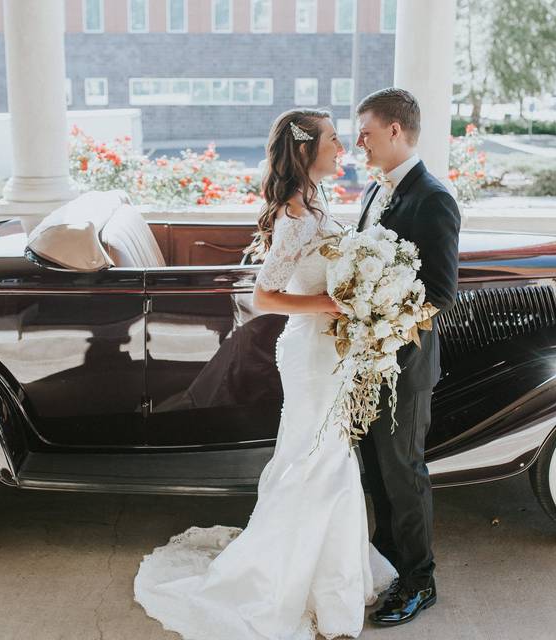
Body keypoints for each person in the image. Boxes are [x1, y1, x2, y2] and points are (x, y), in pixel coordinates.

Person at [133, 108, 398, 640]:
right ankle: (289, 589)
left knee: (328, 459)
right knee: (317, 462)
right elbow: (263, 295)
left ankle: (329, 583)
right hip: (310, 352)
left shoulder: (315, 202)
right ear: (306, 149)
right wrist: (330, 303)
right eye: (332, 139)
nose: (342, 146)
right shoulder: (294, 215)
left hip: (330, 349)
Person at [353, 87, 461, 627]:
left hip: (407, 364)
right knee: (375, 471)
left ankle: (420, 581)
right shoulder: (375, 191)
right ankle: (386, 566)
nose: (358, 143)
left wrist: (382, 326)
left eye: (366, 132)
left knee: (404, 473)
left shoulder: (433, 198)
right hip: (368, 363)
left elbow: (440, 294)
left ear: (396, 131)